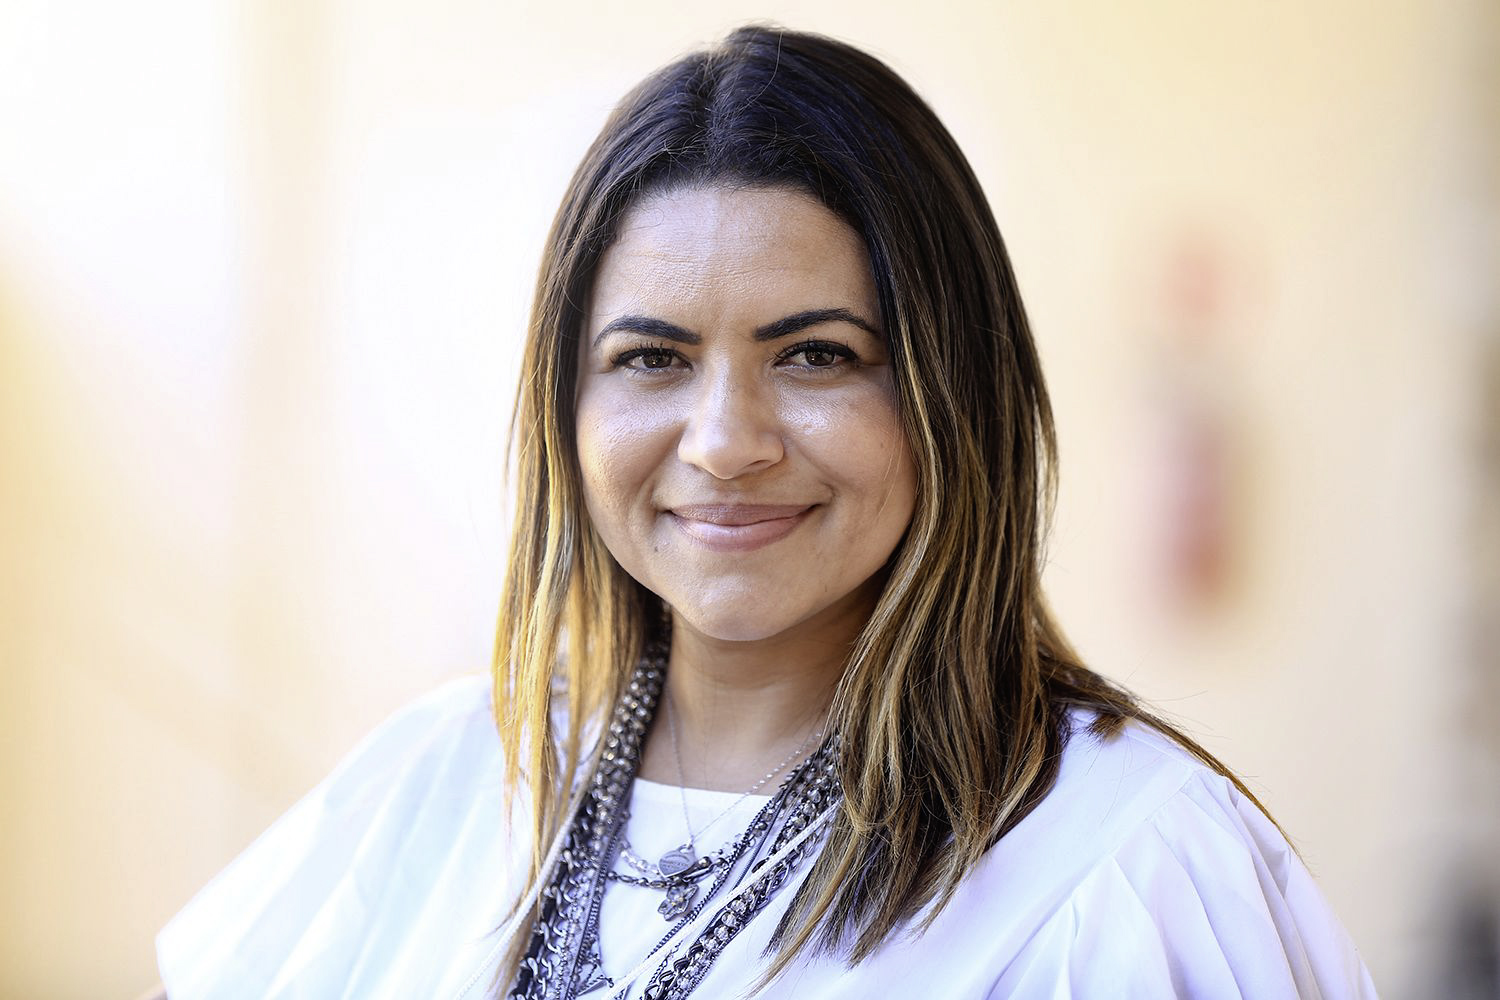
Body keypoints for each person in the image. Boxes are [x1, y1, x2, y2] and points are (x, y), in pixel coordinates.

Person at [155, 25, 1378, 999]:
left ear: (953, 390)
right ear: (566, 407)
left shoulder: (1123, 859)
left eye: (817, 356)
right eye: (652, 358)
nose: (727, 442)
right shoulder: (451, 775)